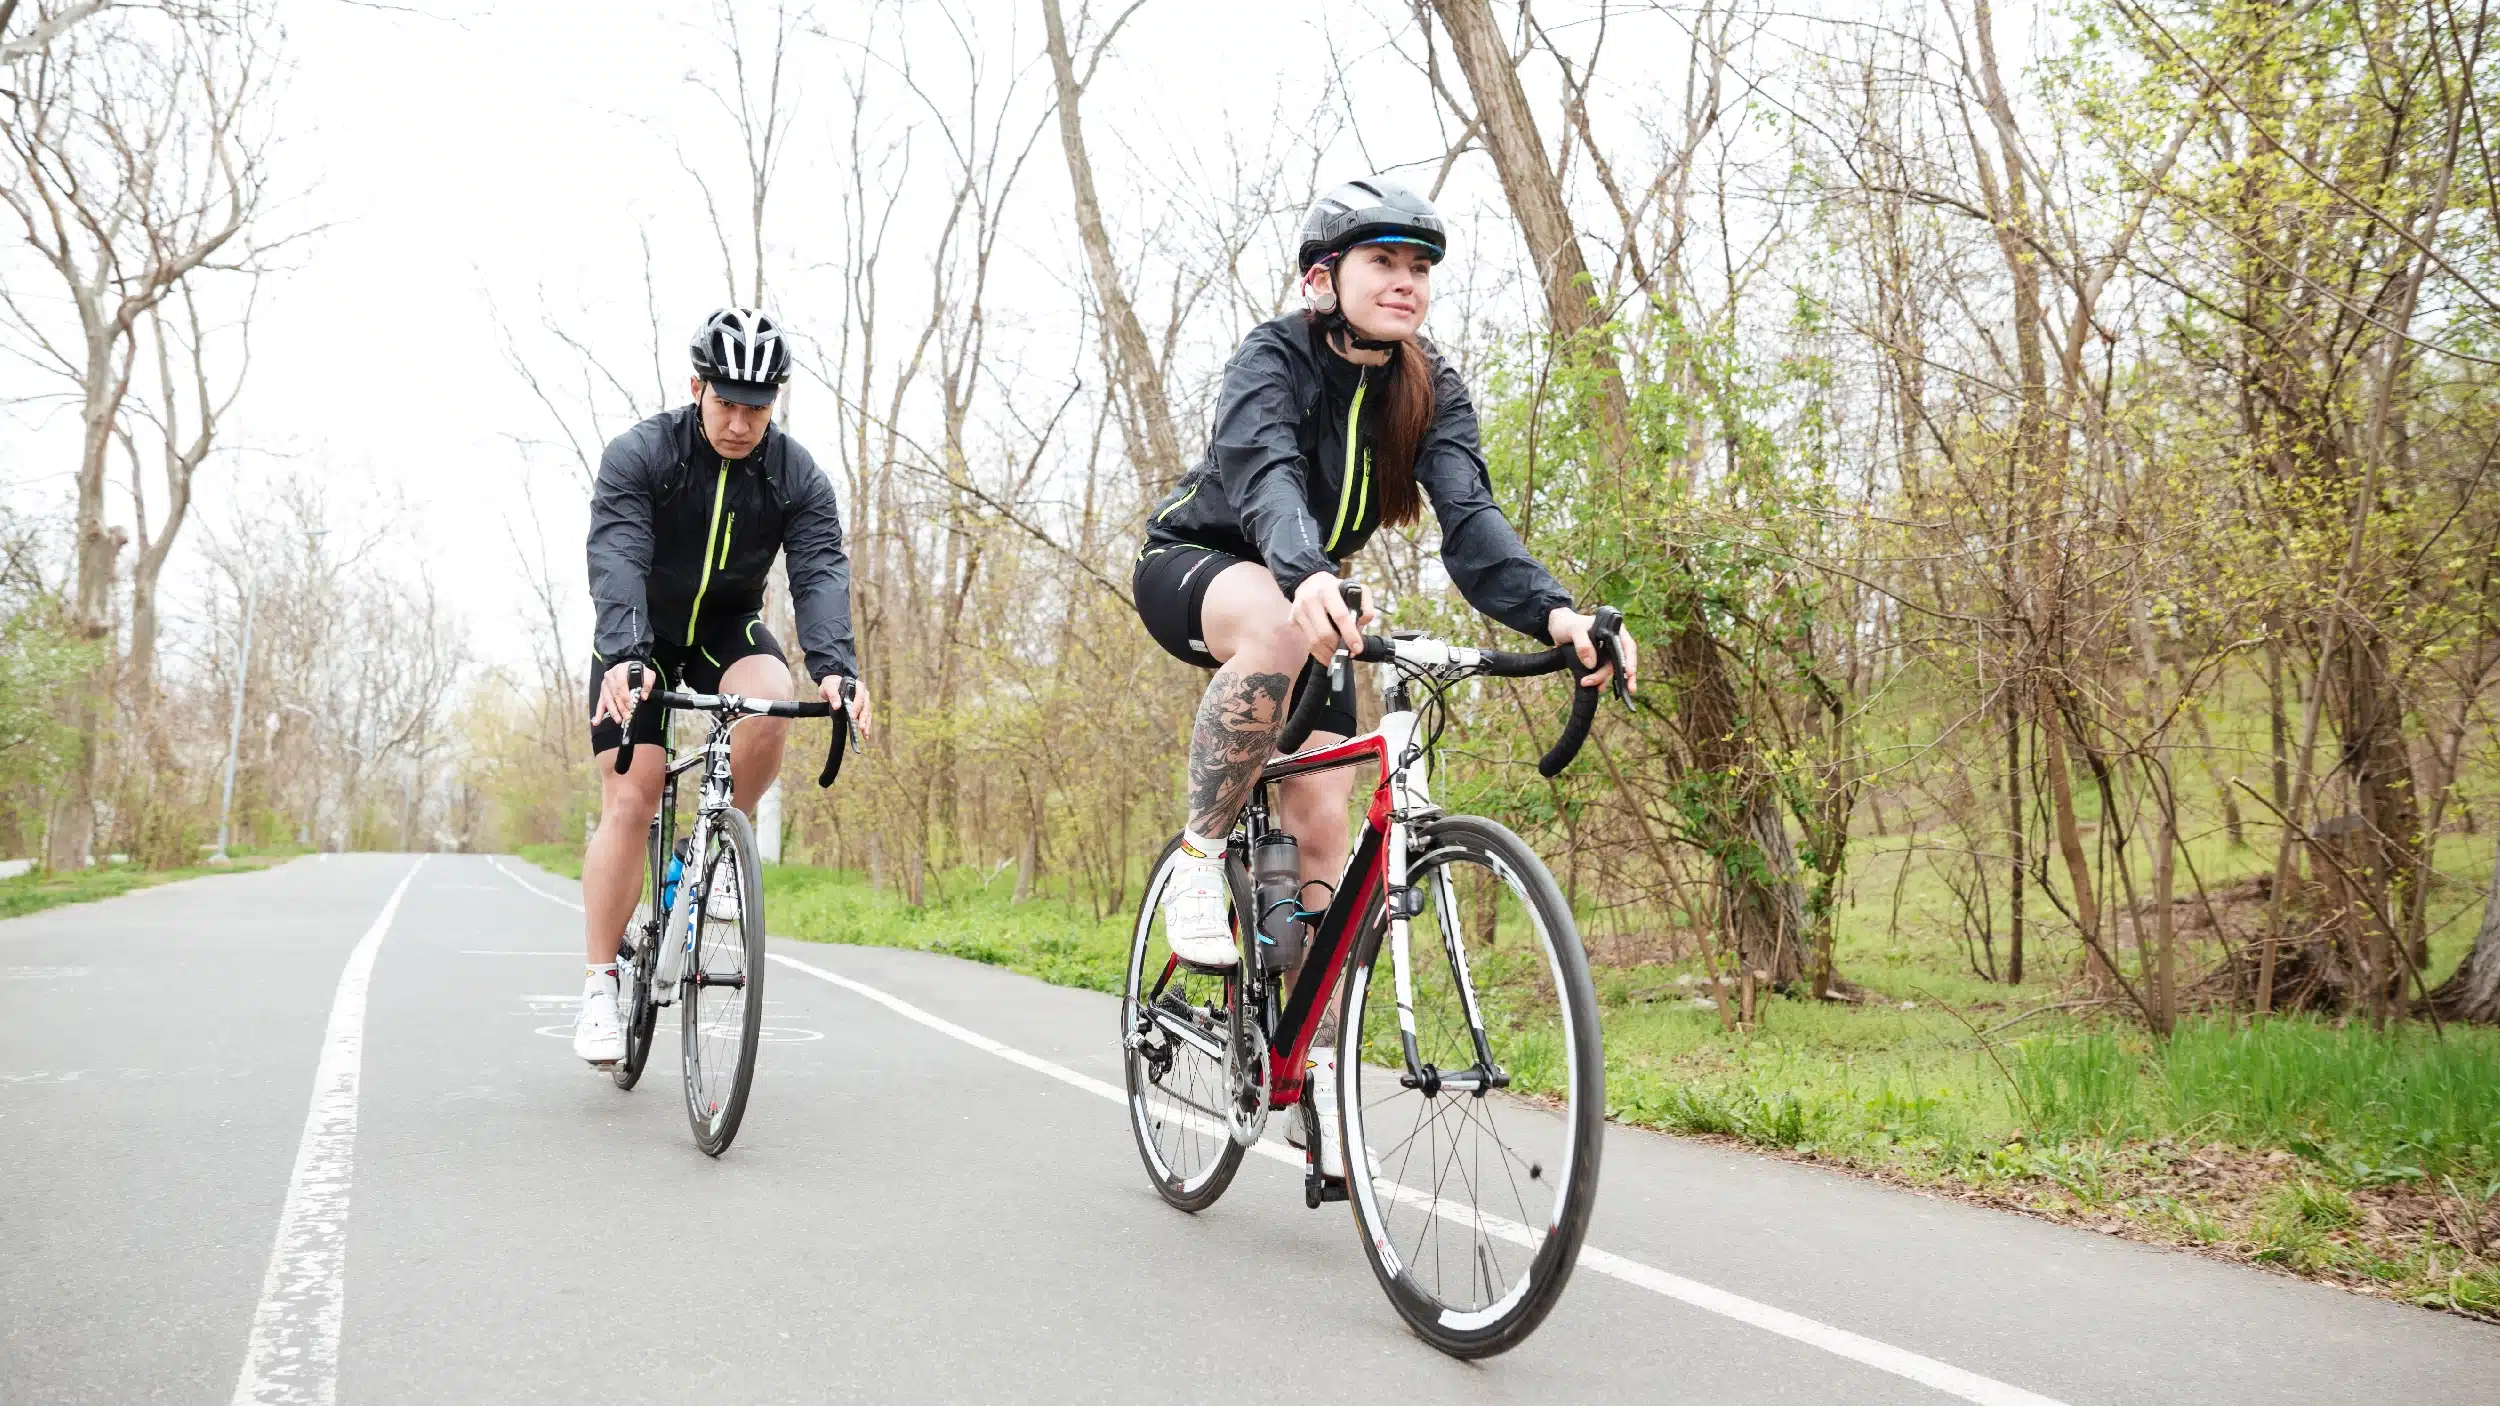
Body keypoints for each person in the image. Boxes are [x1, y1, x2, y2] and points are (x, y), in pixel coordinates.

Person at [1132, 177, 1636, 1172]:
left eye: (1420, 268)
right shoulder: (1270, 358)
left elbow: (1472, 524)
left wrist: (1558, 611)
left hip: (1314, 596)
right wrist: (1309, 570)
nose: (1405, 283)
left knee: (1323, 822)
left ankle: (1306, 1062)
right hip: (1202, 568)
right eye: (1382, 262)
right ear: (1325, 277)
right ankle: (1200, 857)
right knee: (1282, 619)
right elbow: (1267, 475)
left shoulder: (1430, 386)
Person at [571, 307, 872, 1063]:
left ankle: (711, 850)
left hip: (725, 631)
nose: (740, 422)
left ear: (776, 401)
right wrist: (625, 654)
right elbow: (617, 556)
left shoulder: (796, 475)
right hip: (640, 638)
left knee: (770, 694)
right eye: (727, 403)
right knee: (631, 798)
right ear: (696, 387)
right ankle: (600, 984)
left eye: (757, 407)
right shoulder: (641, 455)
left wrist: (836, 667)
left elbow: (819, 571)